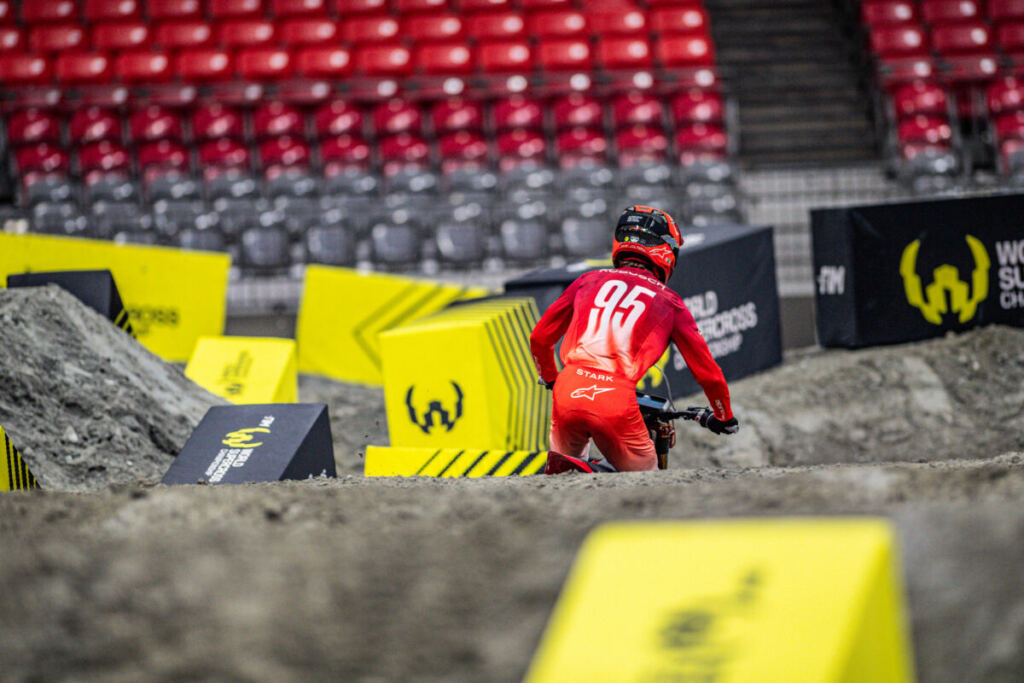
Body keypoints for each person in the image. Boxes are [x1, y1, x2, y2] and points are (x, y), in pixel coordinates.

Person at [530, 205, 738, 473]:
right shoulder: (671, 302)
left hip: (568, 389)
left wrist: (550, 378)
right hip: (616, 397)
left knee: (564, 473)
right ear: (666, 252)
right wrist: (723, 416)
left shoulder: (587, 279)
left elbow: (539, 338)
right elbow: (708, 374)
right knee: (646, 481)